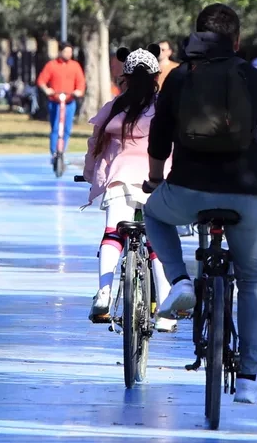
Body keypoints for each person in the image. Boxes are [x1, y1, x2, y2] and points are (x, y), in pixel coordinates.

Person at [144, 3, 257, 406]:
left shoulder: (179, 78)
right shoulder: (255, 78)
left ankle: (180, 281)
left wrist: (157, 178)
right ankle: (248, 378)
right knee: (253, 279)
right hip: (244, 194)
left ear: (196, 35)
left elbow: (159, 134)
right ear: (237, 40)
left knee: (153, 213)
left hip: (187, 190)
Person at [80, 46, 175, 331]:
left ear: (126, 77)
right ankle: (167, 307)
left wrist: (89, 176)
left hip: (118, 180)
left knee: (113, 234)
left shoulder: (113, 109)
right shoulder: (164, 108)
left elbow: (94, 149)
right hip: (156, 182)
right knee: (157, 241)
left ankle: (104, 294)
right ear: (157, 76)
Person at [36, 42, 86, 163]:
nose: (68, 54)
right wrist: (47, 90)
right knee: (55, 128)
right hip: (55, 101)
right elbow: (41, 80)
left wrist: (78, 91)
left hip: (69, 102)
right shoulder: (51, 65)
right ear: (60, 52)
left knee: (67, 128)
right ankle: (54, 152)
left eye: (70, 52)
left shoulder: (75, 66)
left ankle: (62, 151)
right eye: (65, 52)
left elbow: (81, 82)